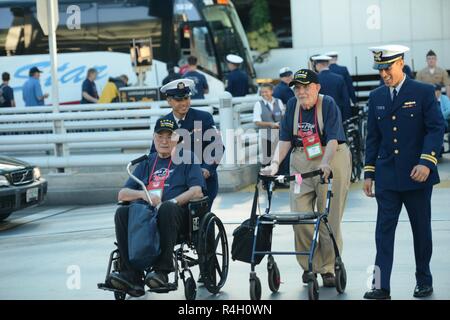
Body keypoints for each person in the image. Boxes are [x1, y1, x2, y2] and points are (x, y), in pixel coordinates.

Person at [363, 45, 446, 300]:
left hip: (417, 175)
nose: (384, 74)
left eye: (387, 68)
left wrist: (426, 161)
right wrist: (368, 173)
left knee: (421, 231)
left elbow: (435, 128)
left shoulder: (422, 91)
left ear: (400, 63)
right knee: (382, 233)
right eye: (380, 70)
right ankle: (380, 285)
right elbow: (373, 138)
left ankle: (424, 281)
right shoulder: (376, 97)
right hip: (387, 176)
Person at [261, 69, 351, 288]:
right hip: (301, 161)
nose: (301, 92)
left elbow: (332, 140)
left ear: (317, 87)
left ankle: (328, 267)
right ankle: (310, 265)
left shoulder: (327, 104)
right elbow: (284, 140)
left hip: (330, 158)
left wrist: (325, 163)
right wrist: (274, 164)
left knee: (328, 219)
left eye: (306, 87)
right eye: (298, 88)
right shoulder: (292, 106)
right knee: (298, 217)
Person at [109, 118, 206, 296]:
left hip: (177, 217)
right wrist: (143, 195)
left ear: (177, 138)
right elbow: (122, 194)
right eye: (160, 136)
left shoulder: (188, 159)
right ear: (154, 138)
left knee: (167, 209)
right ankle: (132, 274)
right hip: (146, 217)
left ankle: (161, 271)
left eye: (169, 136)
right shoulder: (147, 162)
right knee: (122, 212)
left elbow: (197, 191)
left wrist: (173, 202)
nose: (164, 140)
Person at [151, 79, 224, 210]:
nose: (184, 103)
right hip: (172, 184)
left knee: (200, 221)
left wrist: (207, 168)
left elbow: (217, 147)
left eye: (186, 98)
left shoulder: (204, 118)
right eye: (179, 100)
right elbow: (154, 154)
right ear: (169, 101)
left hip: (201, 181)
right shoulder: (162, 123)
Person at [253, 83, 288, 177]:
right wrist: (271, 124)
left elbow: (284, 115)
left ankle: (280, 179)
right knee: (267, 158)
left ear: (272, 91)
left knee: (280, 156)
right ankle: (267, 181)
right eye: (262, 92)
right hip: (266, 134)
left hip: (279, 134)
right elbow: (257, 122)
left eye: (266, 91)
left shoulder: (278, 101)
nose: (264, 94)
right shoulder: (258, 104)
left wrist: (281, 124)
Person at [312, 55, 352, 121]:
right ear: (328, 64)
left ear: (319, 65)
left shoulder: (315, 79)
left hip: (321, 115)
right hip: (337, 113)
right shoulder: (339, 78)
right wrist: (347, 117)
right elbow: (346, 99)